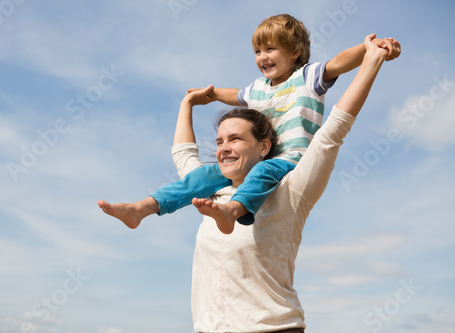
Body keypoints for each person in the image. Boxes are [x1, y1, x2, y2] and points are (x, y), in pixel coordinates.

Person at [174, 33, 398, 332]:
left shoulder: (292, 187)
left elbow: (334, 130)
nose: (224, 147)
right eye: (219, 142)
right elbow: (184, 155)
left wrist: (371, 60)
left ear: (264, 147)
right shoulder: (211, 194)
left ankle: (236, 209)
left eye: (236, 139)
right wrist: (187, 104)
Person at [98, 14, 400, 234]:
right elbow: (236, 95)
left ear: (294, 52)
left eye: (270, 49)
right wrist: (211, 94)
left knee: (264, 170)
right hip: (255, 159)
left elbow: (338, 61)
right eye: (258, 51)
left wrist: (368, 50)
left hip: (289, 160)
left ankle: (233, 210)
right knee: (201, 177)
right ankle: (144, 207)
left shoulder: (306, 76)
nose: (262, 57)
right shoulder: (257, 88)